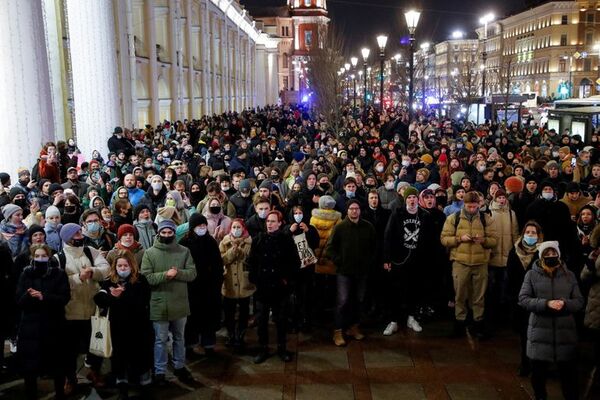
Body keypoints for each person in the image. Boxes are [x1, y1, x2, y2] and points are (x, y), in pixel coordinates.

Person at [518, 241, 583, 400]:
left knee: (569, 377)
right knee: (538, 375)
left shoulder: (569, 275)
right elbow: (523, 299)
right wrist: (545, 304)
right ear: (541, 257)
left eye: (553, 254)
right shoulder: (531, 275)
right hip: (540, 332)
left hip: (565, 333)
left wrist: (565, 304)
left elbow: (579, 301)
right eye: (547, 254)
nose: (551, 257)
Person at [140, 219, 197, 385]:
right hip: (159, 303)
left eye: (169, 232)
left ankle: (179, 366)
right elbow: (147, 277)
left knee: (180, 337)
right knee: (160, 340)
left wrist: (177, 273)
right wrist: (166, 275)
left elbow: (192, 274)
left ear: (174, 233)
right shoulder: (150, 253)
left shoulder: (184, 251)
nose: (166, 235)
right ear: (159, 233)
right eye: (163, 232)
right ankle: (160, 371)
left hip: (179, 301)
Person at [56, 223, 110, 394]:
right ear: (68, 238)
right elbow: (58, 282)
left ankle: (94, 373)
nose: (80, 236)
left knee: (95, 346)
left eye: (80, 232)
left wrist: (93, 271)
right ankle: (70, 379)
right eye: (76, 233)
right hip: (71, 311)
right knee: (69, 350)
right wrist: (78, 278)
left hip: (93, 309)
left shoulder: (90, 251)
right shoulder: (59, 258)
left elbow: (106, 269)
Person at [94, 250, 153, 399]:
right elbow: (99, 297)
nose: (122, 268)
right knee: (119, 358)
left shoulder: (141, 280)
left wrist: (121, 296)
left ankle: (145, 385)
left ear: (132, 265)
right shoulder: (110, 281)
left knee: (140, 357)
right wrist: (112, 298)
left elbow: (142, 301)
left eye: (125, 265)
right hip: (118, 328)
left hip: (138, 327)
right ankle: (122, 386)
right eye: (119, 265)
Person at [16, 244, 70, 400]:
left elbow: (64, 298)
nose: (40, 259)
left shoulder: (59, 274)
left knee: (57, 365)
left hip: (54, 326)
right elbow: (19, 301)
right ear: (32, 257)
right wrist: (29, 295)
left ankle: (60, 394)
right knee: (30, 367)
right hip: (30, 328)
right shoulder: (25, 275)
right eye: (37, 256)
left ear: (49, 256)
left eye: (43, 256)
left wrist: (44, 297)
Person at [440, 191, 497, 338]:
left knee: (478, 296)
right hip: (460, 262)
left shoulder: (486, 219)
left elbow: (494, 240)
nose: (472, 209)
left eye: (474, 206)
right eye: (469, 206)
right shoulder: (455, 218)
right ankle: (460, 322)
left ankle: (478, 323)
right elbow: (444, 239)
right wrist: (459, 238)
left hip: (480, 262)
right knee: (460, 294)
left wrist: (483, 240)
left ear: (479, 205)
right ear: (464, 205)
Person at [247, 210, 301, 364]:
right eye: (268, 221)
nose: (269, 224)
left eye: (272, 221)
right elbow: (252, 262)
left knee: (281, 320)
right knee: (262, 320)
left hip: (280, 287)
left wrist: (287, 281)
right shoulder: (259, 239)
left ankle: (282, 348)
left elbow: (294, 262)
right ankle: (263, 348)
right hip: (263, 287)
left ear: (279, 223)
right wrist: (255, 279)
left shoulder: (286, 240)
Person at [383, 186, 434, 335]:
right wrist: (387, 258)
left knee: (414, 289)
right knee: (396, 290)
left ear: (418, 199)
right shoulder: (397, 214)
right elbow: (388, 236)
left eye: (414, 197)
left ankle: (411, 318)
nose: (412, 200)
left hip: (417, 260)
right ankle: (394, 320)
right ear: (405, 199)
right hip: (399, 259)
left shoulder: (424, 215)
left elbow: (429, 240)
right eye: (409, 197)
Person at [325, 200, 377, 346]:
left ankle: (353, 327)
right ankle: (338, 331)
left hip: (362, 271)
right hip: (344, 271)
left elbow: (374, 247)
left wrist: (369, 262)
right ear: (347, 211)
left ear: (360, 210)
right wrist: (339, 260)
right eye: (351, 209)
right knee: (342, 301)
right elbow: (330, 248)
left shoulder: (368, 227)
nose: (354, 211)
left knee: (359, 300)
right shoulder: (340, 227)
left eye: (357, 208)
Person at [179, 214, 223, 357]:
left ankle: (208, 345)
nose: (202, 228)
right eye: (199, 226)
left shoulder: (210, 242)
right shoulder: (184, 243)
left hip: (209, 287)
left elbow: (217, 264)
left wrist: (217, 282)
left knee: (208, 318)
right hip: (191, 287)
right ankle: (190, 346)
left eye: (204, 226)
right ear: (192, 228)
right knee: (191, 320)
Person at [506, 221, 543, 377]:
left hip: (537, 300)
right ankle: (525, 363)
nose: (530, 235)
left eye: (533, 233)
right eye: (528, 232)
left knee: (538, 335)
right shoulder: (514, 252)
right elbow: (510, 276)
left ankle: (538, 365)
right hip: (520, 299)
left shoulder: (543, 253)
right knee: (524, 335)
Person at [219, 219, 254, 350]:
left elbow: (251, 260)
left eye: (238, 227)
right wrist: (232, 252)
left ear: (243, 228)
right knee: (229, 311)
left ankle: (241, 335)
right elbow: (221, 260)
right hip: (229, 282)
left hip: (245, 282)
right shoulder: (224, 242)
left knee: (244, 312)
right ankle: (231, 334)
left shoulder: (250, 242)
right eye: (234, 227)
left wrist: (240, 253)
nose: (236, 230)